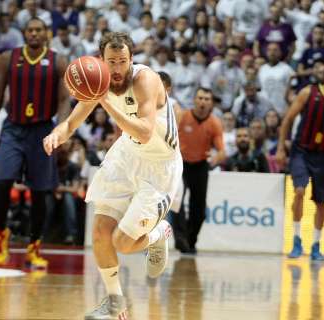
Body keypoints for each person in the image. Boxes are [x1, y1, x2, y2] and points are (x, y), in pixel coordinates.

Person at [43, 32, 182, 320]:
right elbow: (72, 122)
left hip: (159, 166)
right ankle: (115, 302)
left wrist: (103, 102)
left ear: (131, 59)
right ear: (102, 61)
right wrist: (57, 134)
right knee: (100, 231)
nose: (117, 68)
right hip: (126, 156)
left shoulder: (146, 80)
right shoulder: (102, 81)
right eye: (111, 62)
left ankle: (158, 234)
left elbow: (144, 133)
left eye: (122, 61)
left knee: (122, 241)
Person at [0, 18, 70, 268]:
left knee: (40, 191)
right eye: (30, 30)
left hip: (42, 130)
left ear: (46, 34)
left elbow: (64, 100)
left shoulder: (58, 61)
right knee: (2, 183)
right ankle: (1, 234)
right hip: (13, 127)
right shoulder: (8, 58)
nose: (34, 33)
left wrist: (62, 130)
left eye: (38, 30)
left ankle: (34, 247)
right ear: (24, 34)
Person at [276, 63, 324, 261]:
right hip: (301, 150)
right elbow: (287, 120)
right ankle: (296, 240)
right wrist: (281, 148)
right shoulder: (308, 93)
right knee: (299, 191)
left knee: (321, 202)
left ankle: (316, 245)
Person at [175, 87, 225, 254]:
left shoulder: (215, 123)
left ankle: (191, 241)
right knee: (177, 202)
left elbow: (221, 151)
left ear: (211, 104)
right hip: (180, 164)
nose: (203, 102)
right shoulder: (182, 116)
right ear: (194, 100)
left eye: (207, 99)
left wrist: (215, 159)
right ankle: (181, 239)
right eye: (200, 98)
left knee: (199, 209)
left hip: (201, 165)